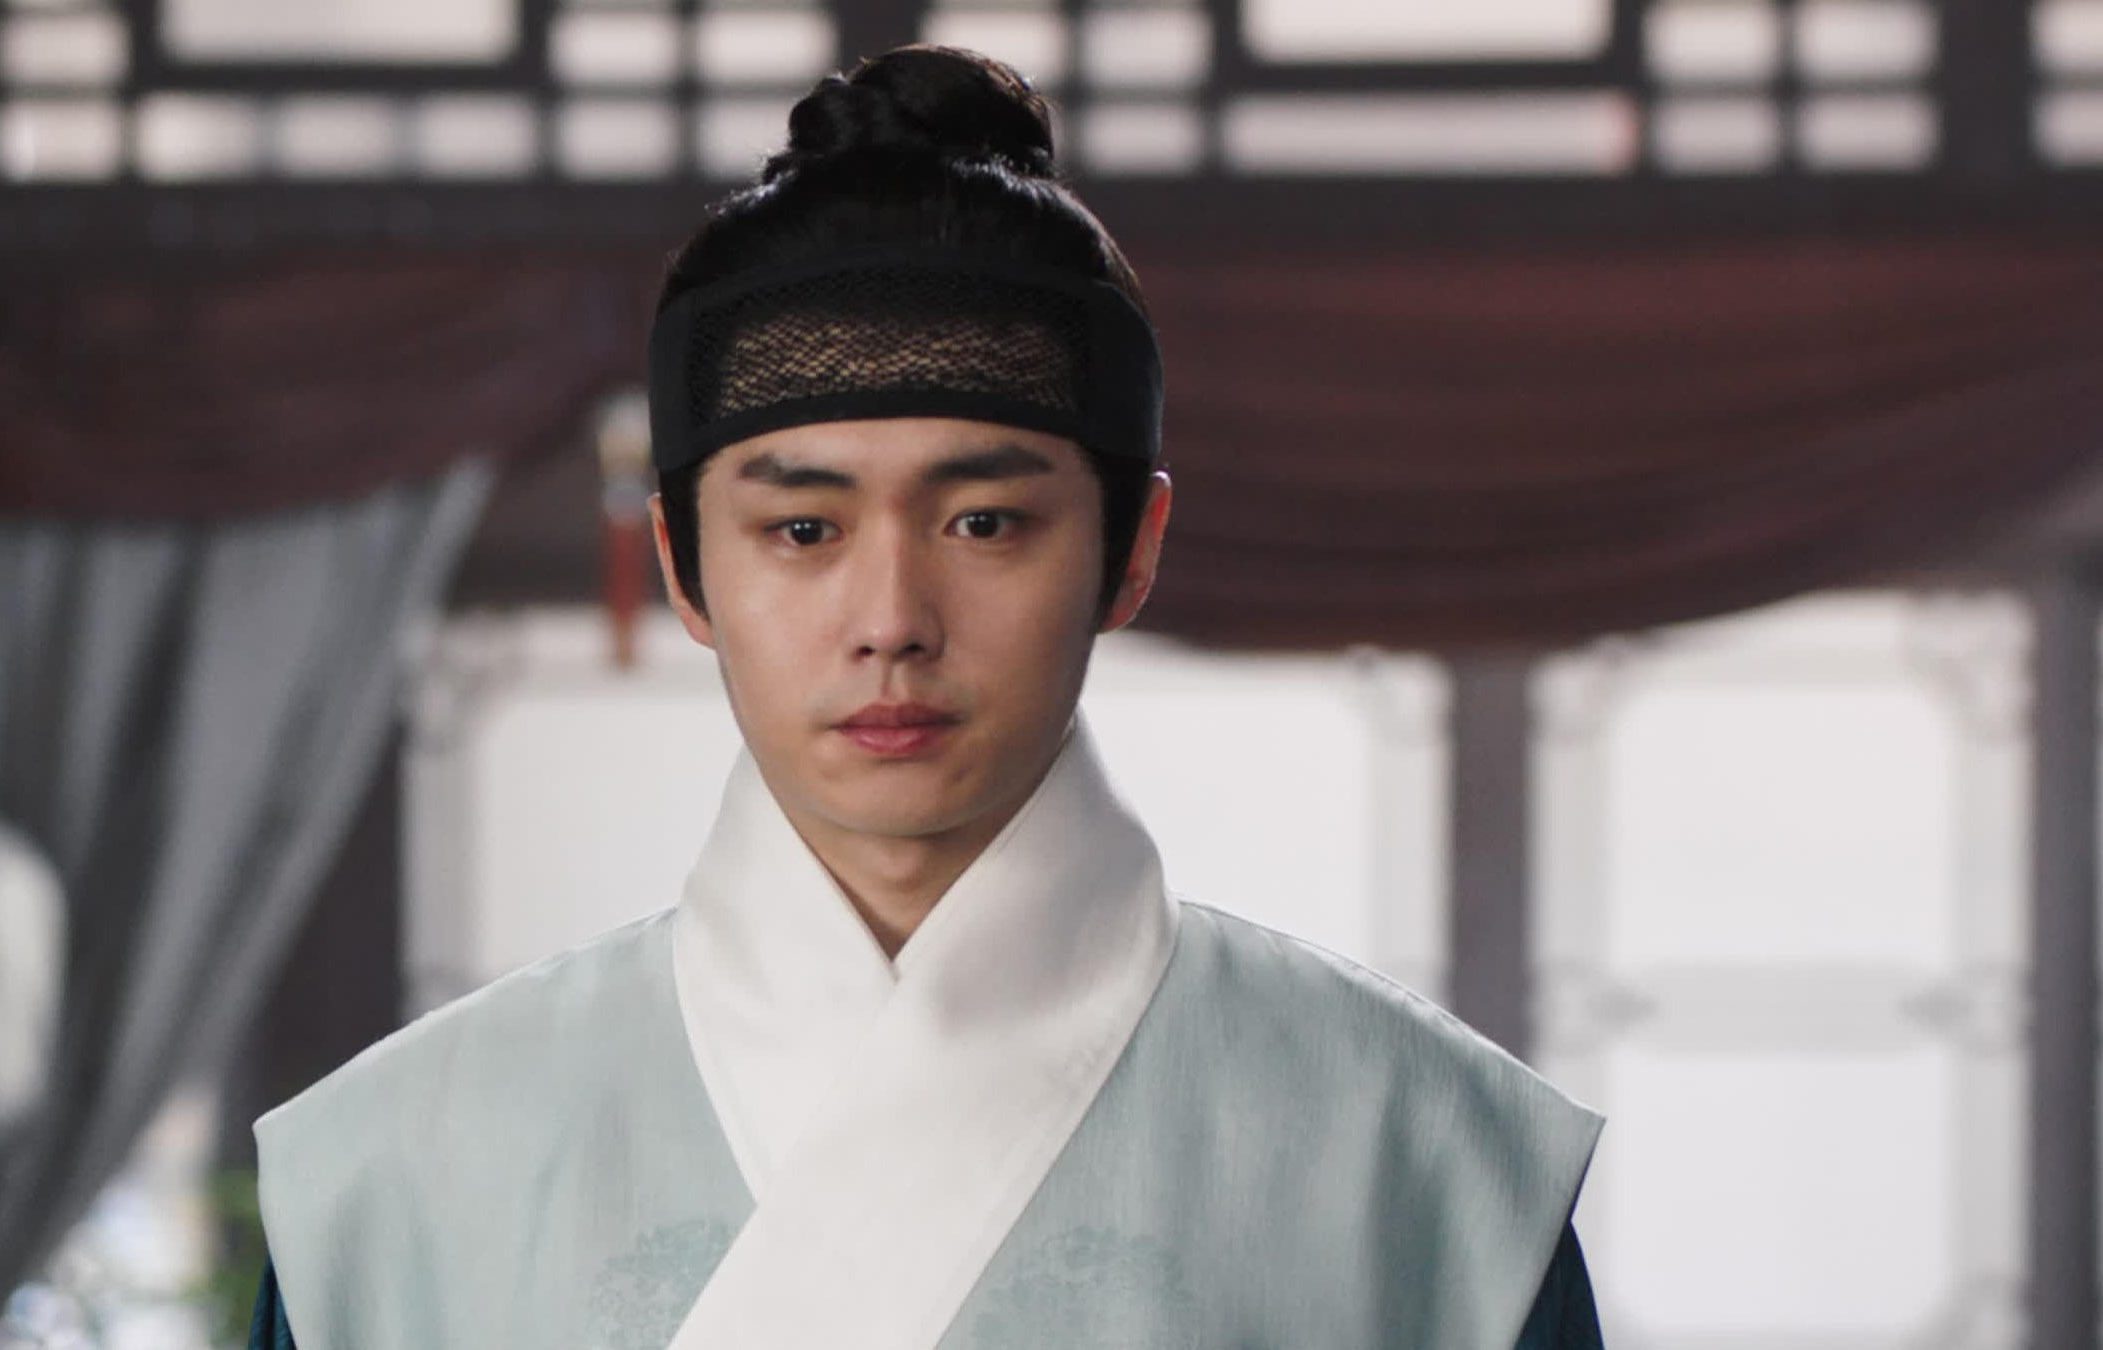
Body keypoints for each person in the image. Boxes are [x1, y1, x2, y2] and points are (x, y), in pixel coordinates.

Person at [247, 44, 1604, 1350]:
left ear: (1132, 549)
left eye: (984, 523)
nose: (891, 620)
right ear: (682, 562)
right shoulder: (391, 1178)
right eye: (802, 530)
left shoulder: (1428, 1166)